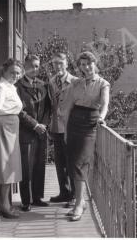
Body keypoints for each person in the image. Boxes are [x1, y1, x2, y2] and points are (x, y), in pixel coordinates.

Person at [66, 51, 110, 221]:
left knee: (81, 162)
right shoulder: (76, 83)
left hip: (90, 122)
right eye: (82, 65)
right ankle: (81, 201)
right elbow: (69, 106)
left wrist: (101, 118)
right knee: (73, 162)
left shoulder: (103, 83)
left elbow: (104, 104)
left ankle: (78, 203)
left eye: (88, 64)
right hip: (74, 122)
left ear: (95, 63)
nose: (85, 68)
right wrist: (65, 128)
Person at [15, 54, 50, 211]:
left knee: (39, 166)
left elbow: (48, 108)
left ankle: (37, 198)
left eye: (37, 66)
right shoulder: (18, 86)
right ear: (25, 66)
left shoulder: (43, 85)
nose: (34, 69)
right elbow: (19, 111)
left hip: (41, 132)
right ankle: (26, 201)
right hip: (27, 132)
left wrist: (43, 125)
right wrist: (35, 125)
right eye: (31, 66)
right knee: (26, 167)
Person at [48, 53, 78, 205]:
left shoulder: (74, 81)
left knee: (71, 162)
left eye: (60, 63)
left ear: (66, 64)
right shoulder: (52, 81)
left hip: (70, 128)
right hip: (56, 127)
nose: (57, 66)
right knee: (59, 162)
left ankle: (74, 196)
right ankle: (64, 192)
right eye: (55, 63)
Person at [0, 58, 23, 219]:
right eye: (12, 72)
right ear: (4, 71)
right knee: (6, 167)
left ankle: (6, 203)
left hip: (12, 127)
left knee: (10, 166)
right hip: (4, 127)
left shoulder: (11, 87)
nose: (15, 75)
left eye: (18, 73)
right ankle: (4, 206)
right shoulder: (1, 87)